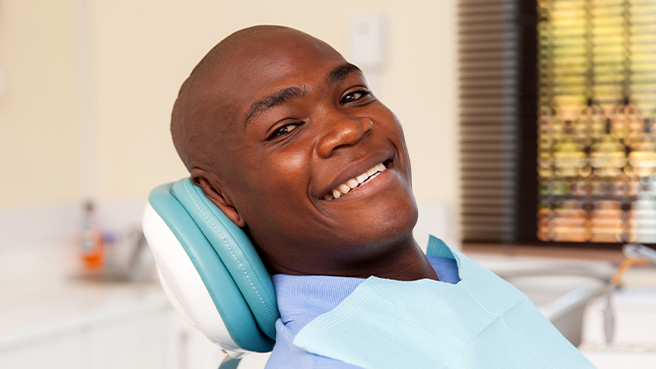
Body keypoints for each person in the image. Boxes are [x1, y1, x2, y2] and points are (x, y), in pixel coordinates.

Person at [170, 26, 594, 368]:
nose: (348, 129)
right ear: (221, 195)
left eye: (352, 96)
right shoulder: (332, 358)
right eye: (284, 129)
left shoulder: (454, 278)